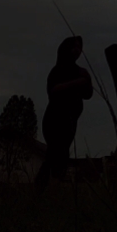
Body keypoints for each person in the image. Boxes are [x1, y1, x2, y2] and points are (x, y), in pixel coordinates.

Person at [35, 35, 93, 192]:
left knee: (57, 154)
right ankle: (46, 188)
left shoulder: (80, 71)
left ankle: (45, 189)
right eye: (74, 46)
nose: (77, 50)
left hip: (70, 119)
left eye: (79, 47)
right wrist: (77, 82)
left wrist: (87, 80)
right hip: (55, 118)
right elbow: (54, 90)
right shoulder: (58, 70)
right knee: (57, 153)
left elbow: (88, 94)